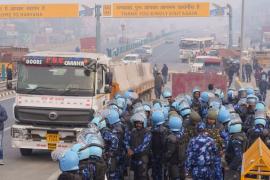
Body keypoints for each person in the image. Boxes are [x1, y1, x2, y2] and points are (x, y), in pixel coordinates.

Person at [125, 113, 152, 180]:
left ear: (143, 123)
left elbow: (144, 146)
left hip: (143, 158)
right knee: (135, 176)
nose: (138, 125)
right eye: (136, 123)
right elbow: (126, 140)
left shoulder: (147, 133)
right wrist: (128, 148)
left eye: (140, 123)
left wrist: (133, 151)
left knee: (142, 176)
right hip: (134, 158)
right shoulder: (132, 132)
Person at [164, 115, 187, 180]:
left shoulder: (170, 138)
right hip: (182, 162)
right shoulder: (183, 135)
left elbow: (169, 152)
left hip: (173, 162)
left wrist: (164, 158)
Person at [151, 110, 168, 180]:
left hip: (154, 154)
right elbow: (165, 143)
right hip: (162, 154)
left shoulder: (151, 130)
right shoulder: (165, 130)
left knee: (155, 171)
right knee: (162, 171)